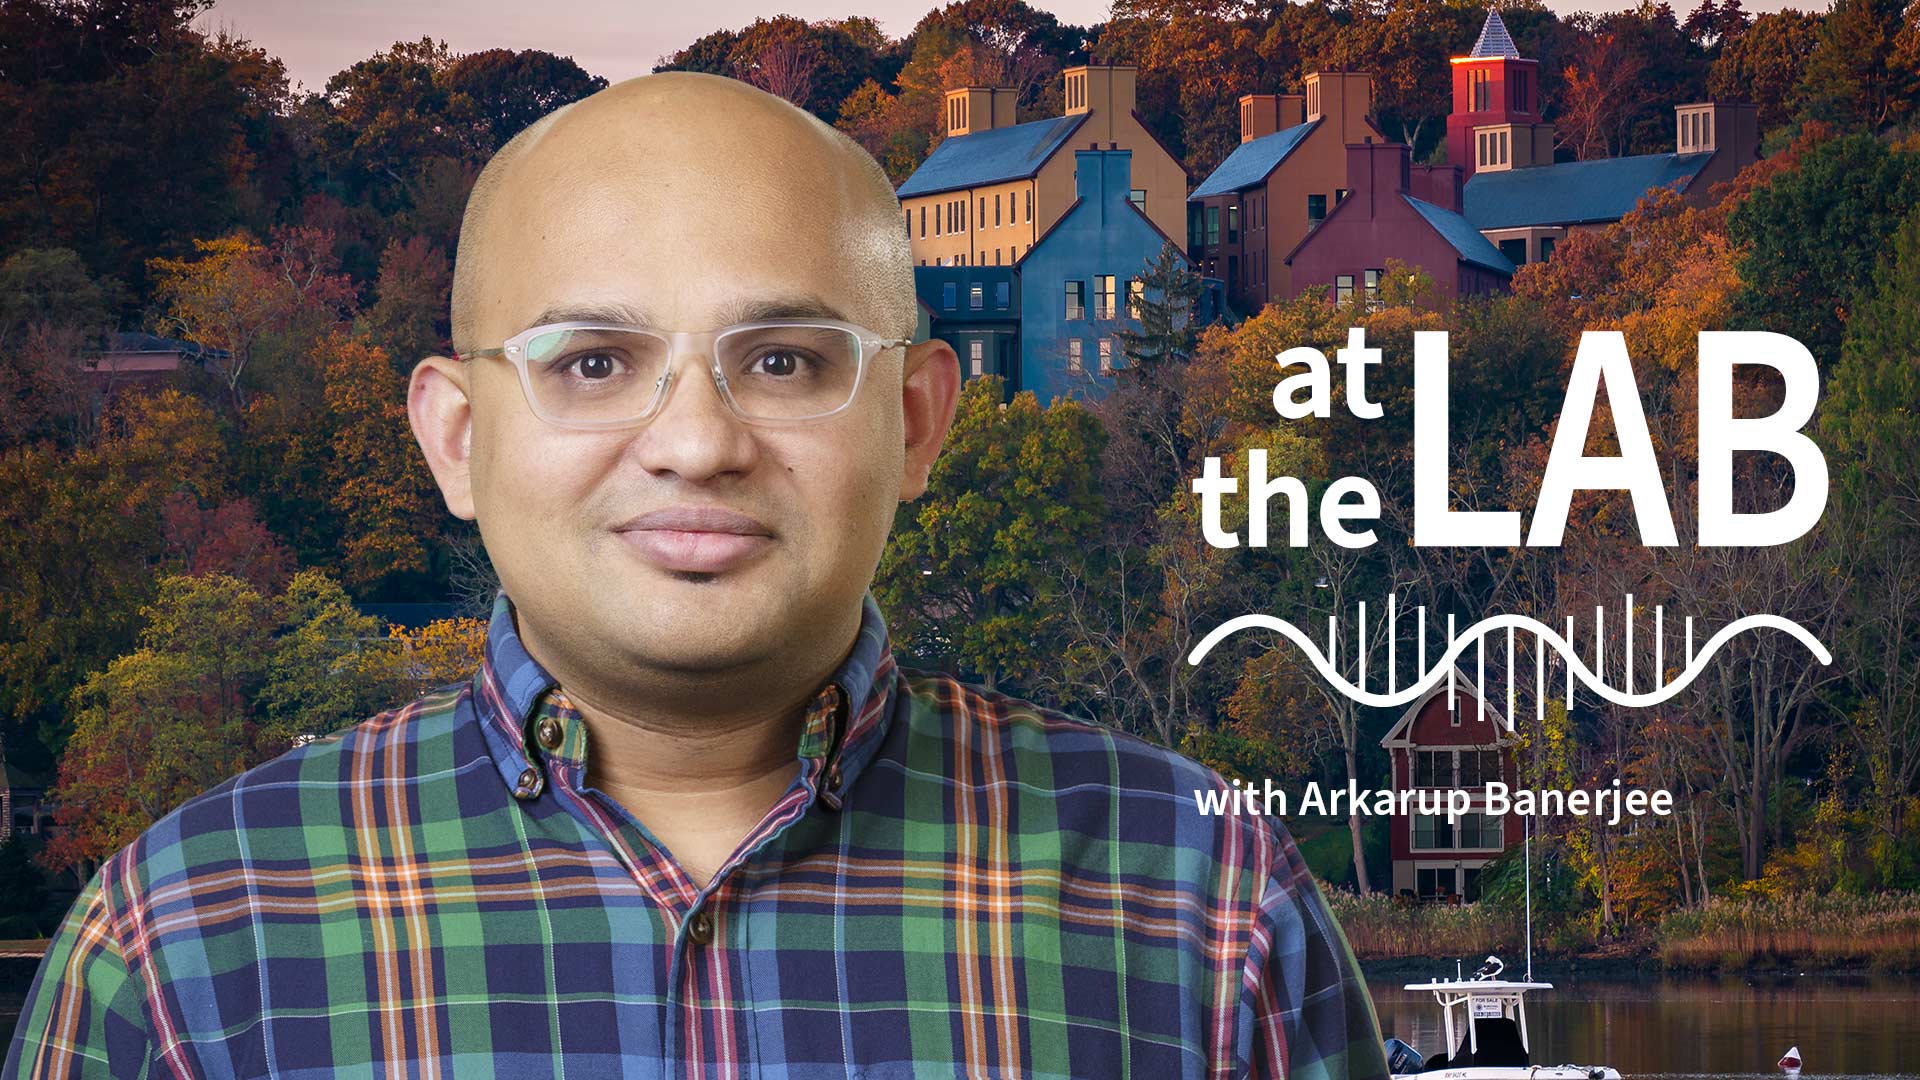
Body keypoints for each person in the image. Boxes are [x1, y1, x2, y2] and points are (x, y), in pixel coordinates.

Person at [4, 72, 1390, 1079]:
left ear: (915, 423)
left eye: (783, 361)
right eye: (591, 364)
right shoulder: (184, 949)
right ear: (457, 437)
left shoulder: (1206, 900)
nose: (694, 443)